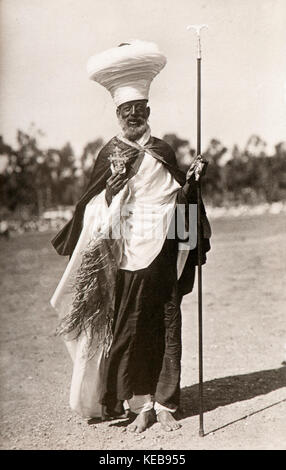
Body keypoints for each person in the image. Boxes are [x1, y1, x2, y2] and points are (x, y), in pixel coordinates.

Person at [50, 40, 211, 433]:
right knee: (132, 325)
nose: (133, 117)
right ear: (118, 115)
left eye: (139, 110)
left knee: (168, 322)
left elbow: (181, 199)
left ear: (149, 111)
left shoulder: (164, 150)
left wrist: (192, 183)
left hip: (167, 248)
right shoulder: (110, 154)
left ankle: (168, 402)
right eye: (126, 112)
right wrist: (115, 186)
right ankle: (139, 403)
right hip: (124, 252)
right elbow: (95, 207)